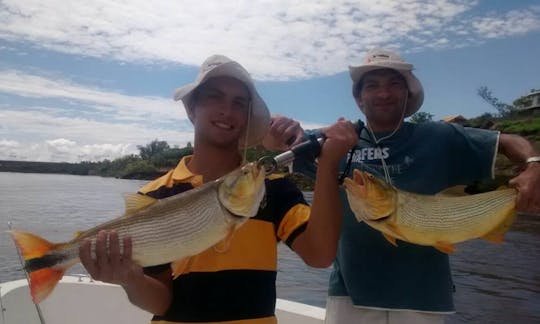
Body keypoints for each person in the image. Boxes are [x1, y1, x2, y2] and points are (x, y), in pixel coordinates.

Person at [264, 48, 540, 324]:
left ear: (408, 94)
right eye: (372, 86)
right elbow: (266, 135)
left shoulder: (438, 137)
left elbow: (508, 141)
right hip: (350, 295)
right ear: (359, 98)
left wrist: (533, 165)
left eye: (394, 84)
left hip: (423, 300)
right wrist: (282, 128)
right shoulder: (335, 141)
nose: (384, 93)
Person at [78, 54, 358, 324]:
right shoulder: (153, 196)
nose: (227, 110)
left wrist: (327, 165)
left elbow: (320, 255)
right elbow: (163, 302)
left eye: (239, 102)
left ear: (248, 117)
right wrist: (130, 279)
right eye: (214, 97)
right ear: (191, 109)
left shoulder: (269, 185)